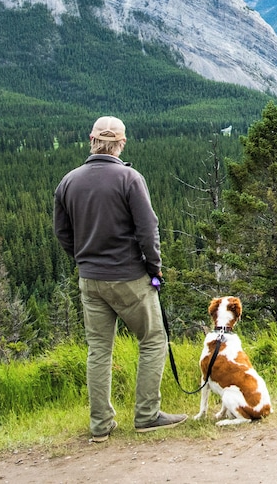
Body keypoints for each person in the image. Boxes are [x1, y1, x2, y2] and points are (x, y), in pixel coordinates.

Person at [54, 116, 187, 443]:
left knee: (98, 350)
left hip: (90, 280)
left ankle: (100, 426)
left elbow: (62, 233)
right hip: (129, 277)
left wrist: (82, 259)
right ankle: (146, 415)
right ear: (121, 143)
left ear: (91, 139)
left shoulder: (68, 182)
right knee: (153, 339)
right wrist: (154, 266)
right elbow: (147, 229)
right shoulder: (130, 178)